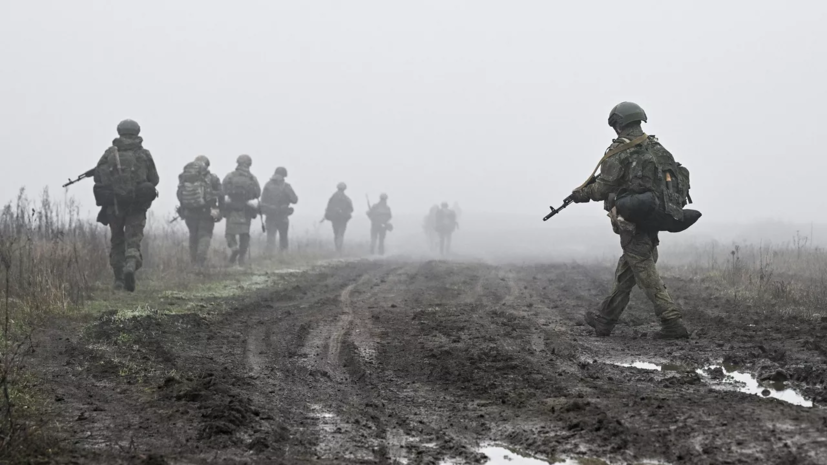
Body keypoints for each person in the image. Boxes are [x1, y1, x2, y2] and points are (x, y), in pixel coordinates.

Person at [569, 102, 689, 339]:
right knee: (630, 269)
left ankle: (671, 321)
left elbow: (603, 188)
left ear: (618, 124)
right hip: (657, 216)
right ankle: (605, 320)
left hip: (634, 220)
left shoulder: (619, 151)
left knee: (644, 269)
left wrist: (580, 194)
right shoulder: (657, 147)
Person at [93, 119, 159, 292]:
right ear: (137, 132)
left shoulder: (109, 153)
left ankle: (118, 280)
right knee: (133, 240)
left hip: (114, 206)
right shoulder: (143, 154)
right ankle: (130, 265)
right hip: (137, 206)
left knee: (117, 241)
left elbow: (98, 178)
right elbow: (155, 180)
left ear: (119, 131)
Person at [177, 156, 222, 266]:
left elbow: (179, 194)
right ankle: (200, 261)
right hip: (206, 211)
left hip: (189, 211)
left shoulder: (185, 177)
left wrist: (184, 208)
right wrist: (219, 209)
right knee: (204, 234)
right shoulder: (212, 178)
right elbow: (221, 194)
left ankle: (193, 262)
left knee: (193, 235)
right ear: (206, 165)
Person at [222, 155, 261, 266]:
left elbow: (222, 190)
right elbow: (258, 193)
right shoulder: (252, 178)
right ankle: (242, 258)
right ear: (249, 164)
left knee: (230, 233)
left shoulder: (230, 176)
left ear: (237, 163)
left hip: (231, 208)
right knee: (244, 234)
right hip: (246, 209)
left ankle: (234, 248)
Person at [261, 170, 298, 253]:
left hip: (271, 216)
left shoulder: (268, 185)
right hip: (282, 216)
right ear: (284, 176)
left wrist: (269, 208)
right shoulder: (286, 186)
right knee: (283, 238)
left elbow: (262, 202)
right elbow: (294, 200)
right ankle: (282, 256)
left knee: (271, 238)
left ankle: (269, 257)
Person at [324, 182, 354, 253]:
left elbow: (328, 208)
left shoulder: (332, 198)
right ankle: (339, 249)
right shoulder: (346, 199)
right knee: (340, 234)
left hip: (335, 219)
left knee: (336, 233)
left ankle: (337, 249)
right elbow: (351, 209)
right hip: (343, 219)